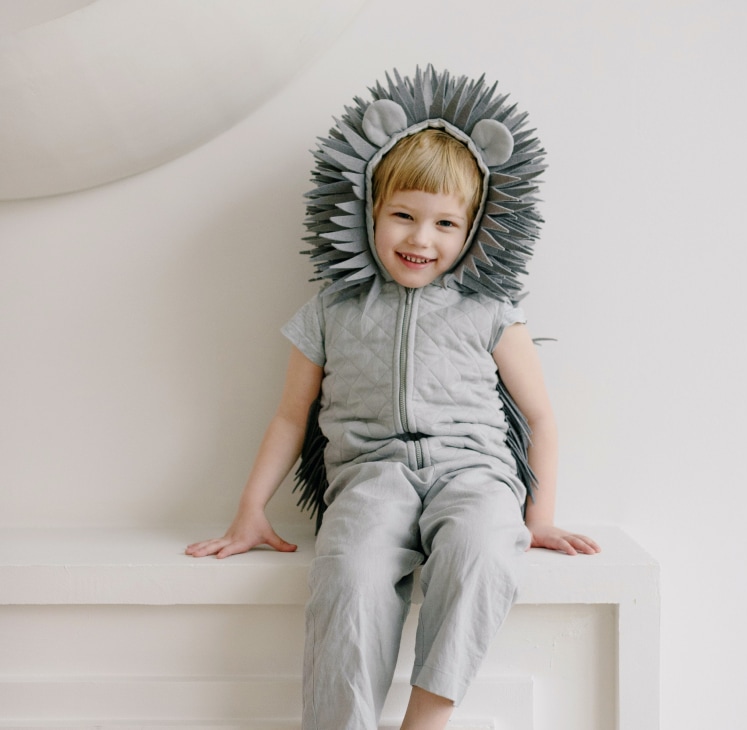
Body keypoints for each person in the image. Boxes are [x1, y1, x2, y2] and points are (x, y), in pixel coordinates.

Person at [186, 66, 600, 730]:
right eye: (403, 215)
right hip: (370, 475)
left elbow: (541, 416)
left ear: (473, 230)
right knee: (348, 576)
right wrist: (249, 510)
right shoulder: (332, 310)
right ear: (370, 211)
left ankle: (426, 718)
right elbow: (290, 417)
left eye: (445, 223)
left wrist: (539, 516)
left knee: (483, 550)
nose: (420, 239)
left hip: (474, 472)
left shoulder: (490, 311)